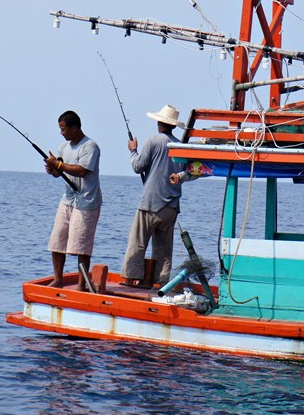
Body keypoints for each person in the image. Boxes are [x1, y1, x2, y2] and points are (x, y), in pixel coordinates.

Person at [120, 104, 193, 287]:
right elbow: (188, 172)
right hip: (171, 206)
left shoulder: (153, 141)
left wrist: (133, 150)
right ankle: (160, 282)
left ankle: (131, 279)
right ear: (174, 126)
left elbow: (138, 166)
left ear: (159, 122)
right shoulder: (181, 146)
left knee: (137, 244)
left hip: (150, 203)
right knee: (164, 249)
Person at [44, 110, 102, 290]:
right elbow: (59, 172)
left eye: (63, 129)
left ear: (75, 128)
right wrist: (52, 169)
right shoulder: (63, 147)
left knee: (81, 245)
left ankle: (81, 283)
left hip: (86, 201)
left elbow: (82, 171)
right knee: (57, 240)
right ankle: (58, 278)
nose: (61, 133)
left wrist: (59, 165)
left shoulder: (90, 147)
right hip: (68, 200)